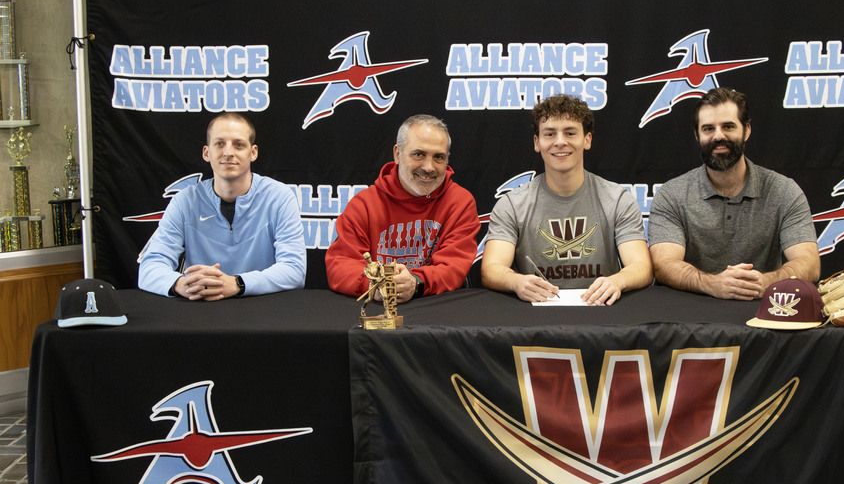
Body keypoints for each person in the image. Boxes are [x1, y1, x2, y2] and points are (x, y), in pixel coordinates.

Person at [647, 87, 819, 301]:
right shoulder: (672, 194)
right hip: (689, 314)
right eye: (708, 128)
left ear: (746, 130)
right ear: (697, 135)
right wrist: (712, 284)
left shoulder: (784, 191)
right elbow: (663, 264)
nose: (718, 136)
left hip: (764, 311)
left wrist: (765, 283)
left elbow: (810, 264)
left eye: (728, 126)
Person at [481, 94, 652, 305]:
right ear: (537, 142)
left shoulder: (617, 200)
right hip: (536, 314)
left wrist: (618, 281)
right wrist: (516, 282)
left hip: (601, 310)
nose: (560, 142)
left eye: (570, 133)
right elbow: (491, 269)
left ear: (587, 139)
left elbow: (641, 267)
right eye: (549, 134)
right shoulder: (512, 205)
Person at [138, 113, 306, 300]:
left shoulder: (279, 197)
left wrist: (237, 284)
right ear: (206, 153)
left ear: (253, 152)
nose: (228, 153)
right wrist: (180, 284)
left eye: (238, 144)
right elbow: (149, 267)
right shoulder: (184, 201)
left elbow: (294, 269)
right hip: (201, 307)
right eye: (219, 144)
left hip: (262, 308)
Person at [325, 114, 480, 302]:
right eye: (419, 154)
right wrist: (376, 285)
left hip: (436, 308)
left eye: (438, 157)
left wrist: (416, 282)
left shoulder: (460, 202)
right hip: (378, 309)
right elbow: (340, 265)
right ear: (397, 154)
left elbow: (454, 267)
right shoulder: (364, 205)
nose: (429, 167)